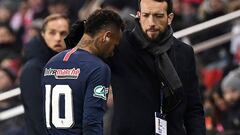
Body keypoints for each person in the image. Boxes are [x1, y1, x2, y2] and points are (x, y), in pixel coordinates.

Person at [65, 0, 206, 135]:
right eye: (146, 15)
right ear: (138, 15)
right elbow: (81, 54)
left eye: (158, 16)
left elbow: (193, 108)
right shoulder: (119, 44)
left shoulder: (184, 52)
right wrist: (92, 26)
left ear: (169, 18)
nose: (151, 22)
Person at [41, 9, 124, 135]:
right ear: (106, 36)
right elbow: (92, 122)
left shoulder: (51, 63)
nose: (113, 52)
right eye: (115, 45)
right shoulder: (98, 68)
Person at [20, 14, 70, 135]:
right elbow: (38, 114)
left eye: (63, 33)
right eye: (52, 33)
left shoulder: (74, 63)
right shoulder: (33, 69)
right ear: (43, 34)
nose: (58, 38)